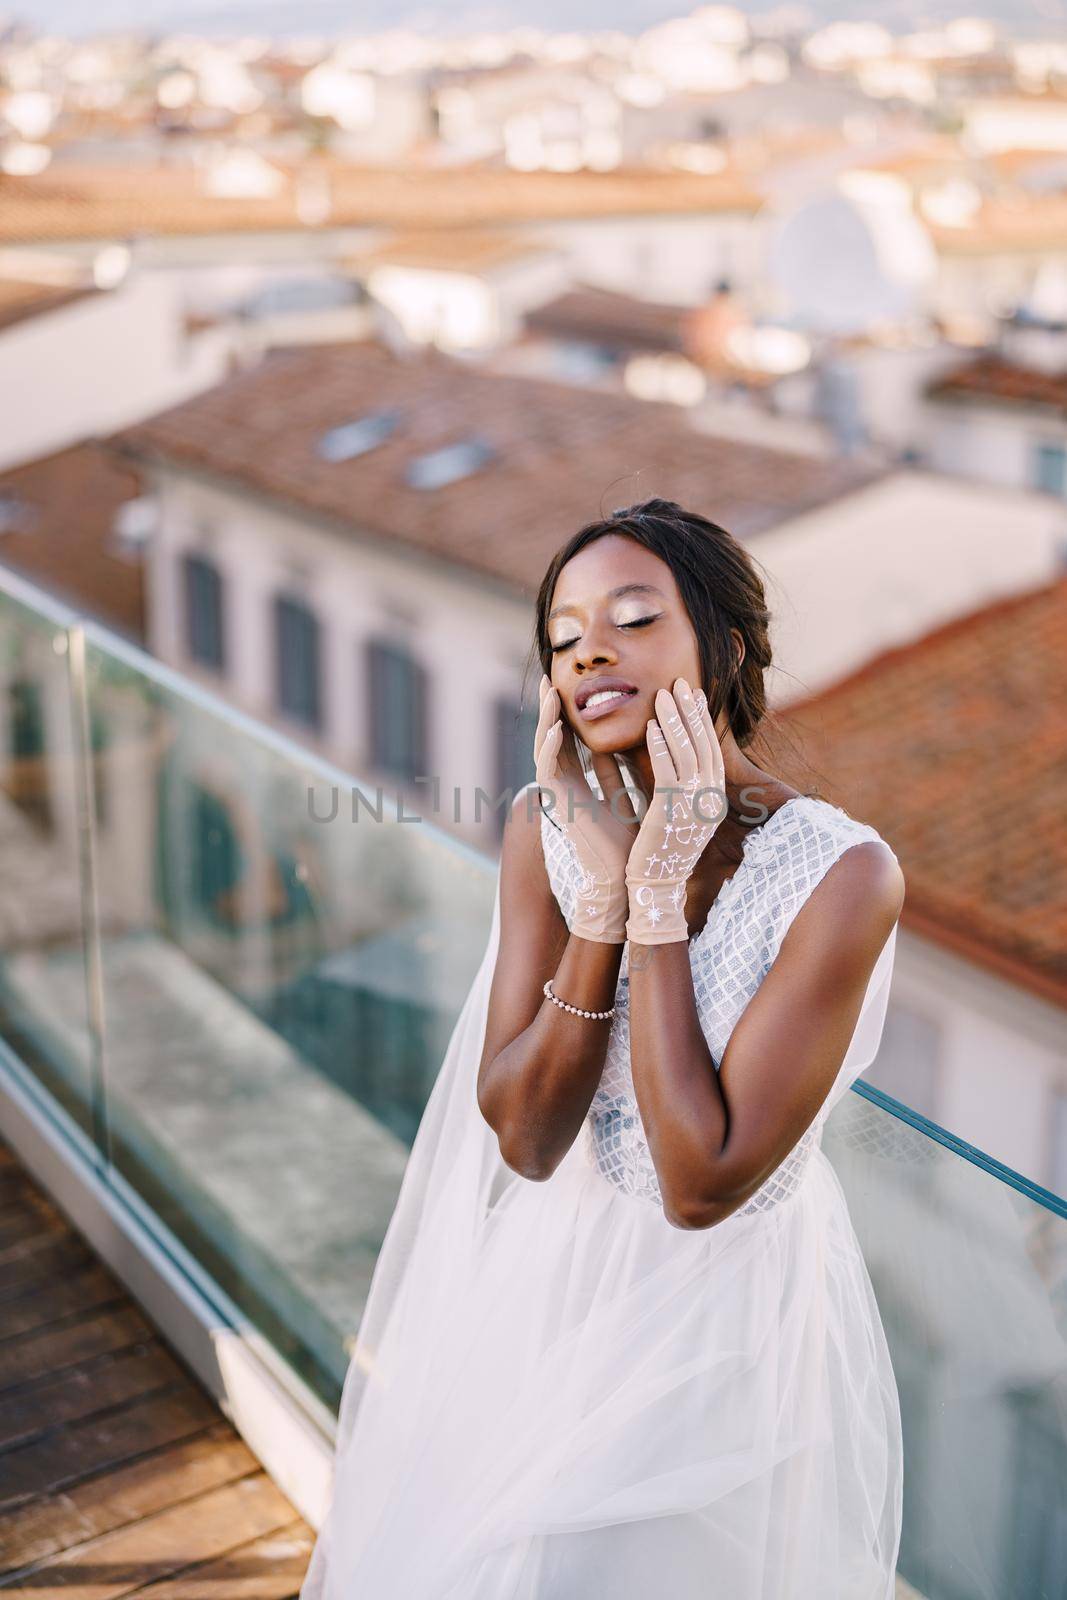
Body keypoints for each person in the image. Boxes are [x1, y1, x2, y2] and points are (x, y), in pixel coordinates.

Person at [299, 497, 906, 1599]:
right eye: (564, 636)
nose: (588, 651)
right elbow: (526, 1139)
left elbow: (699, 1181)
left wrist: (662, 896)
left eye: (631, 618)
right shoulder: (545, 826)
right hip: (550, 1280)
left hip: (720, 1322)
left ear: (719, 645)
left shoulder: (842, 874)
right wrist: (604, 903)